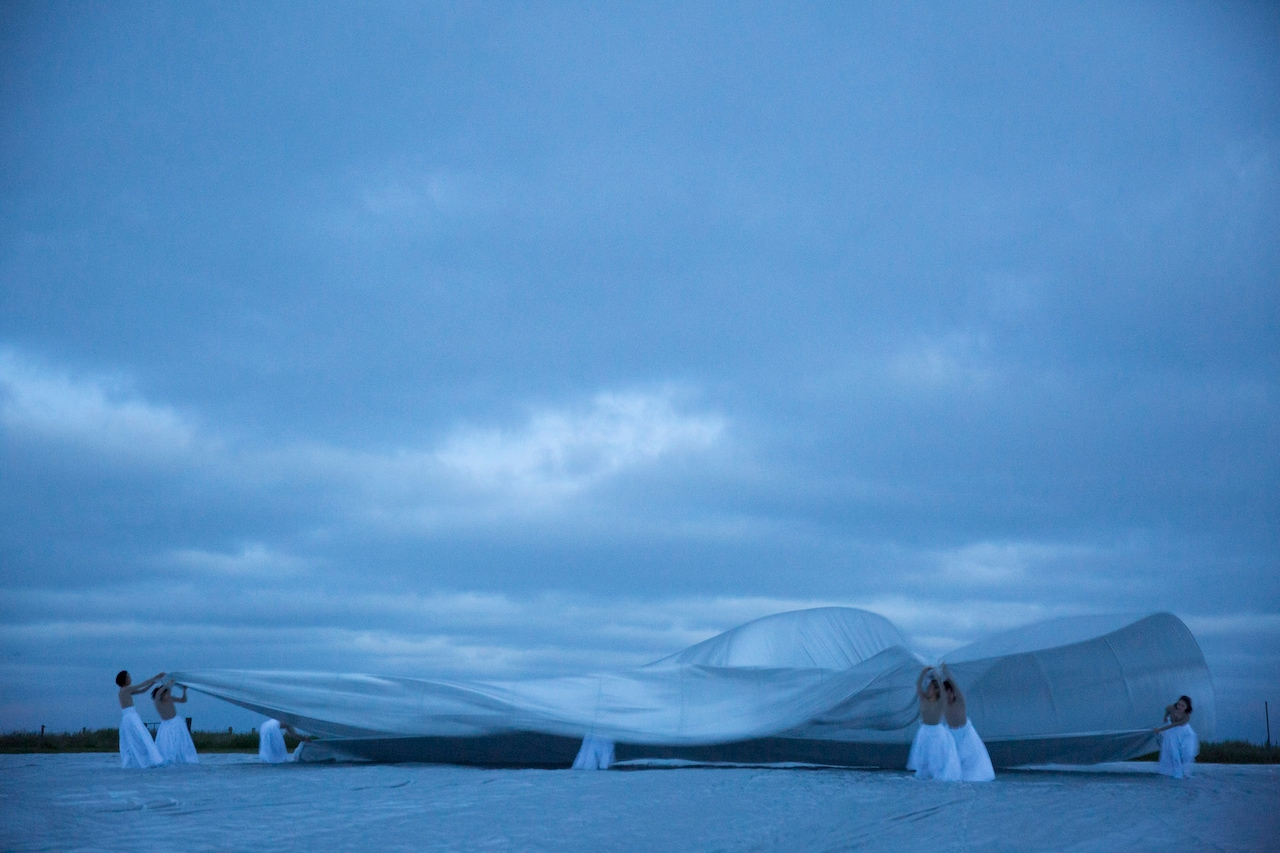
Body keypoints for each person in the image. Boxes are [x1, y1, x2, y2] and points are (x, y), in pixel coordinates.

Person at [939, 664, 995, 782]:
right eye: (944, 693)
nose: (947, 695)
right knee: (952, 759)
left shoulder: (960, 700)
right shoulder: (943, 704)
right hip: (951, 734)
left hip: (965, 732)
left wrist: (946, 673)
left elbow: (954, 684)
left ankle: (971, 776)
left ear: (952, 692)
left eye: (948, 692)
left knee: (969, 757)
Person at [906, 666, 962, 780]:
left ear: (936, 690)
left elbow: (942, 690)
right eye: (929, 687)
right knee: (923, 758)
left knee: (936, 758)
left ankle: (936, 775)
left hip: (936, 733)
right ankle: (924, 774)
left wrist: (937, 677)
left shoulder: (941, 702)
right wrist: (924, 671)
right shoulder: (924, 699)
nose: (928, 689)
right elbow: (918, 685)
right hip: (924, 731)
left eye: (931, 687)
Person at [116, 669, 165, 769]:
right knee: (143, 737)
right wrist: (156, 677)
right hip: (131, 717)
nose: (130, 678)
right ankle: (151, 760)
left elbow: (143, 690)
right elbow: (142, 684)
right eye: (128, 677)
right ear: (124, 680)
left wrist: (153, 683)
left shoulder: (124, 690)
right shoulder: (125, 689)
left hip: (129, 717)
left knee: (137, 739)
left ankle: (142, 761)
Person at [152, 682, 198, 764]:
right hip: (166, 725)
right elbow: (158, 693)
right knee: (167, 745)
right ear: (162, 694)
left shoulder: (170, 698)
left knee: (181, 743)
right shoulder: (157, 701)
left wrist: (184, 690)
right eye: (166, 693)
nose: (168, 694)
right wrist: (167, 683)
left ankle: (184, 759)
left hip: (176, 723)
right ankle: (167, 760)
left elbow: (183, 700)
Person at [1153, 695, 1198, 778]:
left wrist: (1160, 729)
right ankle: (1173, 772)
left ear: (1187, 707)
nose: (1180, 707)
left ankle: (1183, 770)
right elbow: (1167, 710)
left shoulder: (1186, 717)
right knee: (1173, 751)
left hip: (1184, 732)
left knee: (1187, 753)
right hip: (1173, 733)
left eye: (1183, 706)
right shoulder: (1171, 708)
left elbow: (1173, 725)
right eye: (1179, 704)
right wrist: (1165, 717)